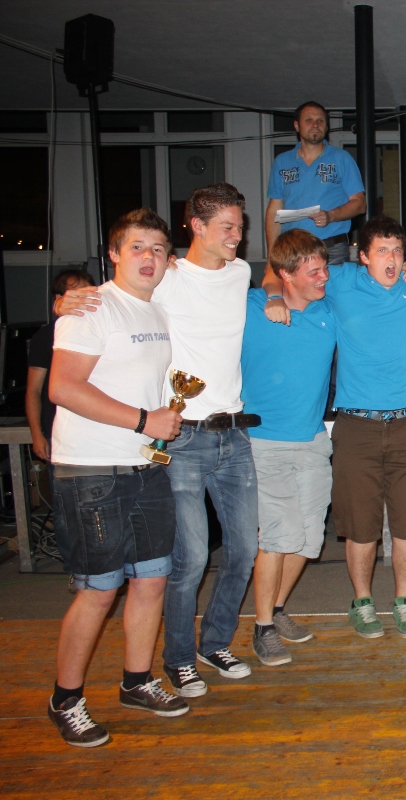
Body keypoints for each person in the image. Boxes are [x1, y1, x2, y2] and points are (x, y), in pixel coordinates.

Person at [58, 183, 260, 698]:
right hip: (181, 437)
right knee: (189, 560)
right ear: (197, 227)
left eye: (240, 227)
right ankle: (178, 659)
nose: (237, 236)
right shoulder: (165, 277)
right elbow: (115, 295)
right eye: (227, 227)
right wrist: (67, 300)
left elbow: (267, 284)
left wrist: (277, 294)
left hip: (233, 435)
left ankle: (214, 643)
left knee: (243, 552)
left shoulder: (241, 273)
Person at [46, 208, 186, 747]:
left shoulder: (158, 308)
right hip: (91, 471)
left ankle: (137, 680)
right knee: (99, 591)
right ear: (113, 254)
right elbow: (63, 387)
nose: (149, 257)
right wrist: (144, 420)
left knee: (152, 580)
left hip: (145, 467)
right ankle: (66, 699)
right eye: (136, 247)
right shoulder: (90, 308)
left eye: (158, 248)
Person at [262, 216, 406, 641]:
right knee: (360, 525)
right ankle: (363, 601)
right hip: (356, 424)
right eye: (382, 251)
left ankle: (404, 600)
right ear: (362, 257)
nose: (392, 259)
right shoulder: (339, 281)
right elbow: (281, 269)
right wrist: (272, 294)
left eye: (398, 251)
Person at [241, 230, 337, 665]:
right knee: (279, 535)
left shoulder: (328, 311)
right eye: (313, 271)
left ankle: (276, 609)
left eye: (324, 268)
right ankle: (262, 627)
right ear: (285, 274)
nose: (323, 277)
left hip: (313, 441)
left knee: (310, 538)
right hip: (265, 443)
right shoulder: (251, 307)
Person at [265, 101, 366, 265]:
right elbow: (274, 211)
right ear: (297, 126)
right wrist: (271, 257)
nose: (315, 125)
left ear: (326, 127)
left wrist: (330, 216)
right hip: (292, 250)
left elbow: (360, 204)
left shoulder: (341, 158)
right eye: (309, 120)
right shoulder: (282, 162)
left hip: (331, 249)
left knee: (334, 283)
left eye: (320, 121)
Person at [27, 268, 95, 463]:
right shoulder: (46, 336)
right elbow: (34, 389)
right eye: (78, 294)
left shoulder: (98, 330)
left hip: (95, 429)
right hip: (59, 432)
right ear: (59, 299)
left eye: (88, 293)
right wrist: (37, 434)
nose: (85, 299)